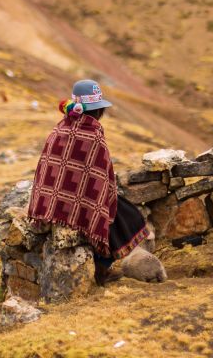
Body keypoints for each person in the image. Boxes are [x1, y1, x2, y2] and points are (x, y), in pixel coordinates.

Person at [27, 79, 151, 285]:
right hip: (75, 208)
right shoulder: (93, 136)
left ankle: (101, 266)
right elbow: (105, 183)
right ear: (97, 111)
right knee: (127, 217)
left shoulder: (59, 129)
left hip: (49, 205)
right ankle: (102, 268)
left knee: (117, 213)